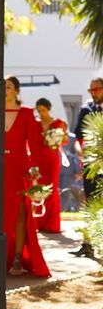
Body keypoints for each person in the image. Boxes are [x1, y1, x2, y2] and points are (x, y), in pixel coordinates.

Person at [0, 75, 50, 277]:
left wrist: (35, 170)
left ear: (16, 90)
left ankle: (17, 257)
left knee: (20, 213)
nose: (5, 89)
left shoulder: (27, 113)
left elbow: (34, 144)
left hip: (20, 168)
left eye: (8, 86)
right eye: (3, 87)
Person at [70, 77, 103, 257]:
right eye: (90, 90)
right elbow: (78, 138)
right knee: (91, 203)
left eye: (96, 89)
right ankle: (88, 244)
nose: (92, 93)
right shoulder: (86, 110)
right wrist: (79, 151)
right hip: (91, 165)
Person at [34, 97, 68, 233]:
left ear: (48, 108)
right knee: (38, 189)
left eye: (43, 110)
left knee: (52, 189)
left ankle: (52, 223)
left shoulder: (59, 123)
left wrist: (57, 139)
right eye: (39, 111)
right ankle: (39, 222)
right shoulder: (35, 123)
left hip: (52, 159)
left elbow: (65, 140)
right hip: (37, 159)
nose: (41, 113)